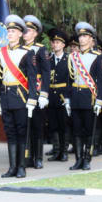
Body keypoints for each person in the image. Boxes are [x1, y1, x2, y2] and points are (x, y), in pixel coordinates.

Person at [0, 15, 37, 178]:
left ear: (20, 34)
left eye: (13, 31)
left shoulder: (28, 53)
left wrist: (32, 99)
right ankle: (12, 167)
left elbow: (32, 78)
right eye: (8, 31)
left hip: (21, 97)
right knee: (9, 133)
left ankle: (21, 167)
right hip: (6, 97)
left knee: (21, 132)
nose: (9, 34)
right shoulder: (0, 52)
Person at [66, 22, 102, 170]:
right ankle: (78, 159)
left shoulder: (97, 56)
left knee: (88, 130)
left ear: (91, 39)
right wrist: (68, 99)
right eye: (80, 36)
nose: (81, 39)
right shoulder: (72, 57)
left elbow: (100, 81)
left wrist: (100, 100)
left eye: (85, 36)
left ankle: (87, 159)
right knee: (76, 130)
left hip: (90, 97)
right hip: (75, 97)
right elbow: (69, 80)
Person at [22, 15, 50, 169]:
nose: (26, 33)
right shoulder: (19, 49)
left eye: (29, 30)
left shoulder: (40, 49)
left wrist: (44, 93)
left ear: (35, 33)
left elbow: (46, 72)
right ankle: (27, 156)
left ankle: (38, 157)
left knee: (37, 126)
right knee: (25, 124)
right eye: (24, 30)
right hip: (22, 90)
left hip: (37, 91)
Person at [46, 28, 70, 162]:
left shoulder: (68, 59)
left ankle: (64, 151)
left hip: (62, 96)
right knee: (53, 125)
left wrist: (67, 98)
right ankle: (56, 150)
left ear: (63, 45)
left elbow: (69, 80)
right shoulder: (48, 59)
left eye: (58, 42)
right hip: (51, 96)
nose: (55, 45)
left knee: (64, 125)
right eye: (53, 42)